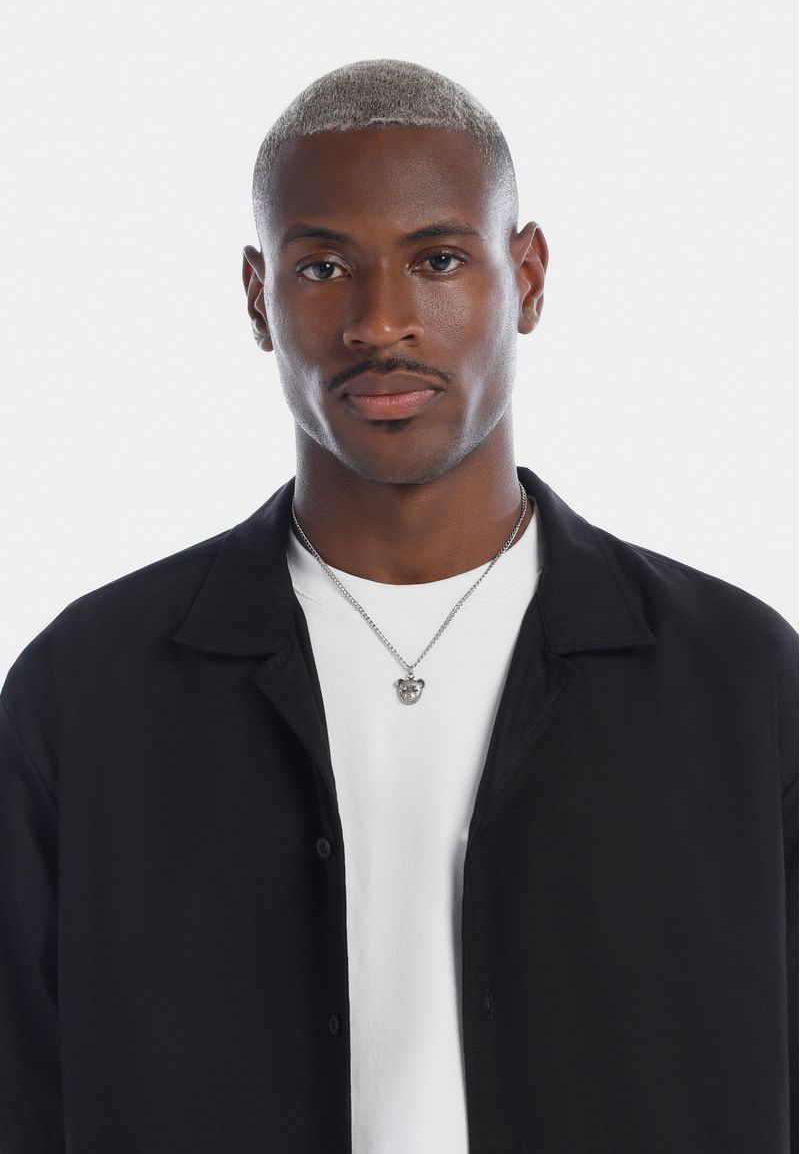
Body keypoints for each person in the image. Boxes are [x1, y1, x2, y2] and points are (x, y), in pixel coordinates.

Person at [0, 58, 796, 1154]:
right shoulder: (88, 691)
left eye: (436, 260)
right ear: (257, 298)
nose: (381, 322)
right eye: (323, 266)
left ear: (526, 278)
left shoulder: (738, 680)